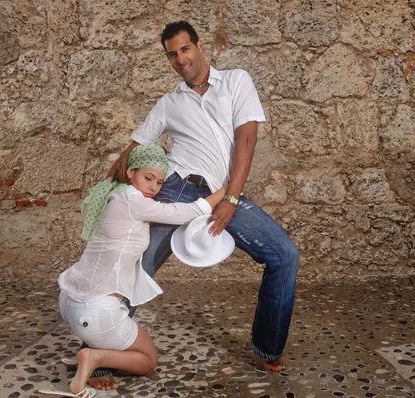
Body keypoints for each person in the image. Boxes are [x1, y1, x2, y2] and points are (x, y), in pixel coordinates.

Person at [96, 20, 300, 389]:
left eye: (184, 49)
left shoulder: (236, 81)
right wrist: (107, 193)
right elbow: (135, 148)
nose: (180, 59)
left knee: (284, 255)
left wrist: (233, 198)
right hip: (175, 189)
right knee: (135, 265)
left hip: (222, 192)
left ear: (199, 46)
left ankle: (268, 349)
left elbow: (247, 140)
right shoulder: (168, 103)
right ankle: (98, 355)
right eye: (172, 54)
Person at [49, 144, 227, 397]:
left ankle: (94, 352)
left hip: (69, 300)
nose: (153, 187)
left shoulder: (116, 194)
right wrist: (227, 192)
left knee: (127, 340)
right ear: (131, 172)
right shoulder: (133, 200)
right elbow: (183, 212)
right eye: (148, 178)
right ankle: (93, 357)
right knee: (147, 361)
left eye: (159, 182)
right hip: (95, 311)